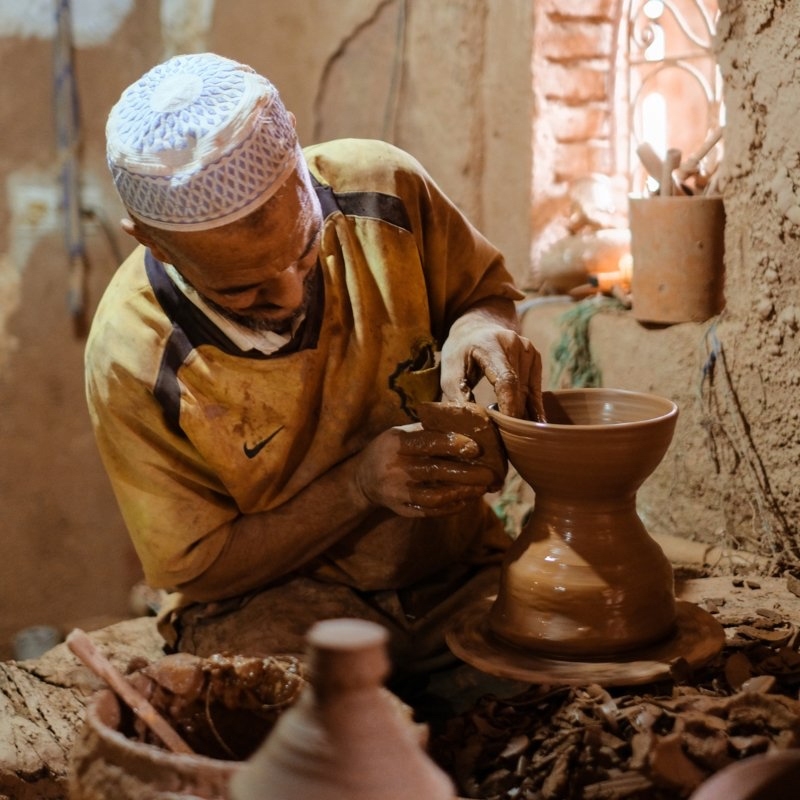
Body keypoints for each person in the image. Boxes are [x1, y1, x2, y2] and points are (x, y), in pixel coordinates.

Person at [86, 52, 543, 672]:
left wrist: (481, 327)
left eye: (307, 251)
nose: (294, 295)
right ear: (151, 240)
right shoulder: (134, 352)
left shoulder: (383, 188)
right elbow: (203, 569)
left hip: (451, 576)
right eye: (243, 289)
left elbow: (482, 292)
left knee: (562, 663)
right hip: (274, 602)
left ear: (299, 163)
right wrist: (358, 486)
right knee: (306, 726)